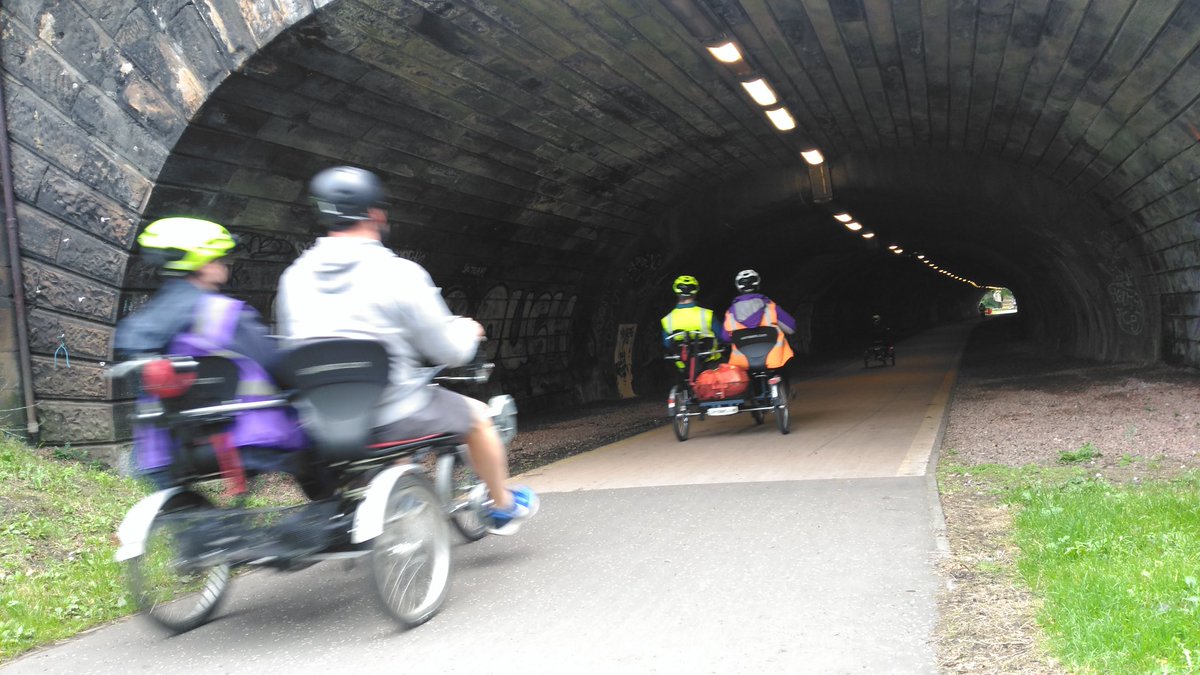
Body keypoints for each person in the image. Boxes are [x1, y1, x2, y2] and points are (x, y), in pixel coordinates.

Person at [276, 166, 537, 535]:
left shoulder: (293, 278)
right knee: (479, 418)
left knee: (382, 438)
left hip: (323, 421)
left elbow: (293, 349)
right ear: (376, 214)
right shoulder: (399, 273)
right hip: (393, 412)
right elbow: (448, 350)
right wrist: (466, 332)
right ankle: (501, 505)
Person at [114, 217, 307, 490]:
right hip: (245, 442)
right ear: (203, 264)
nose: (226, 264)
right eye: (222, 258)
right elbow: (278, 368)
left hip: (164, 453)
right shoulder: (224, 315)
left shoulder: (138, 326)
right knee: (316, 443)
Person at [718, 269, 796, 372]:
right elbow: (791, 328)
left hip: (743, 362)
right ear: (758, 285)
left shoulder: (730, 313)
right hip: (774, 358)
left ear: (738, 288)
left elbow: (725, 338)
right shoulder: (770, 307)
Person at [660, 275, 721, 372]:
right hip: (710, 363)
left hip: (683, 366)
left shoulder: (667, 320)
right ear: (695, 292)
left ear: (676, 292)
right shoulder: (707, 314)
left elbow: (668, 344)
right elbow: (721, 335)